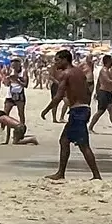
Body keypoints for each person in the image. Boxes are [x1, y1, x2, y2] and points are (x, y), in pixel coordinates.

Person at [46, 48, 103, 182]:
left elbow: (58, 96)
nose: (56, 63)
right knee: (65, 141)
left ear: (65, 60)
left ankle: (96, 175)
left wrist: (46, 109)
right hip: (83, 109)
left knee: (83, 145)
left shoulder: (66, 74)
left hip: (77, 112)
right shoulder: (79, 72)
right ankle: (61, 173)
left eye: (58, 60)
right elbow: (88, 90)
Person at [89, 54, 112, 134]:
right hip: (103, 93)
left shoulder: (110, 70)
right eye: (111, 61)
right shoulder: (103, 70)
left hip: (108, 93)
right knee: (100, 111)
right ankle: (90, 127)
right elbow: (108, 81)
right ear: (107, 61)